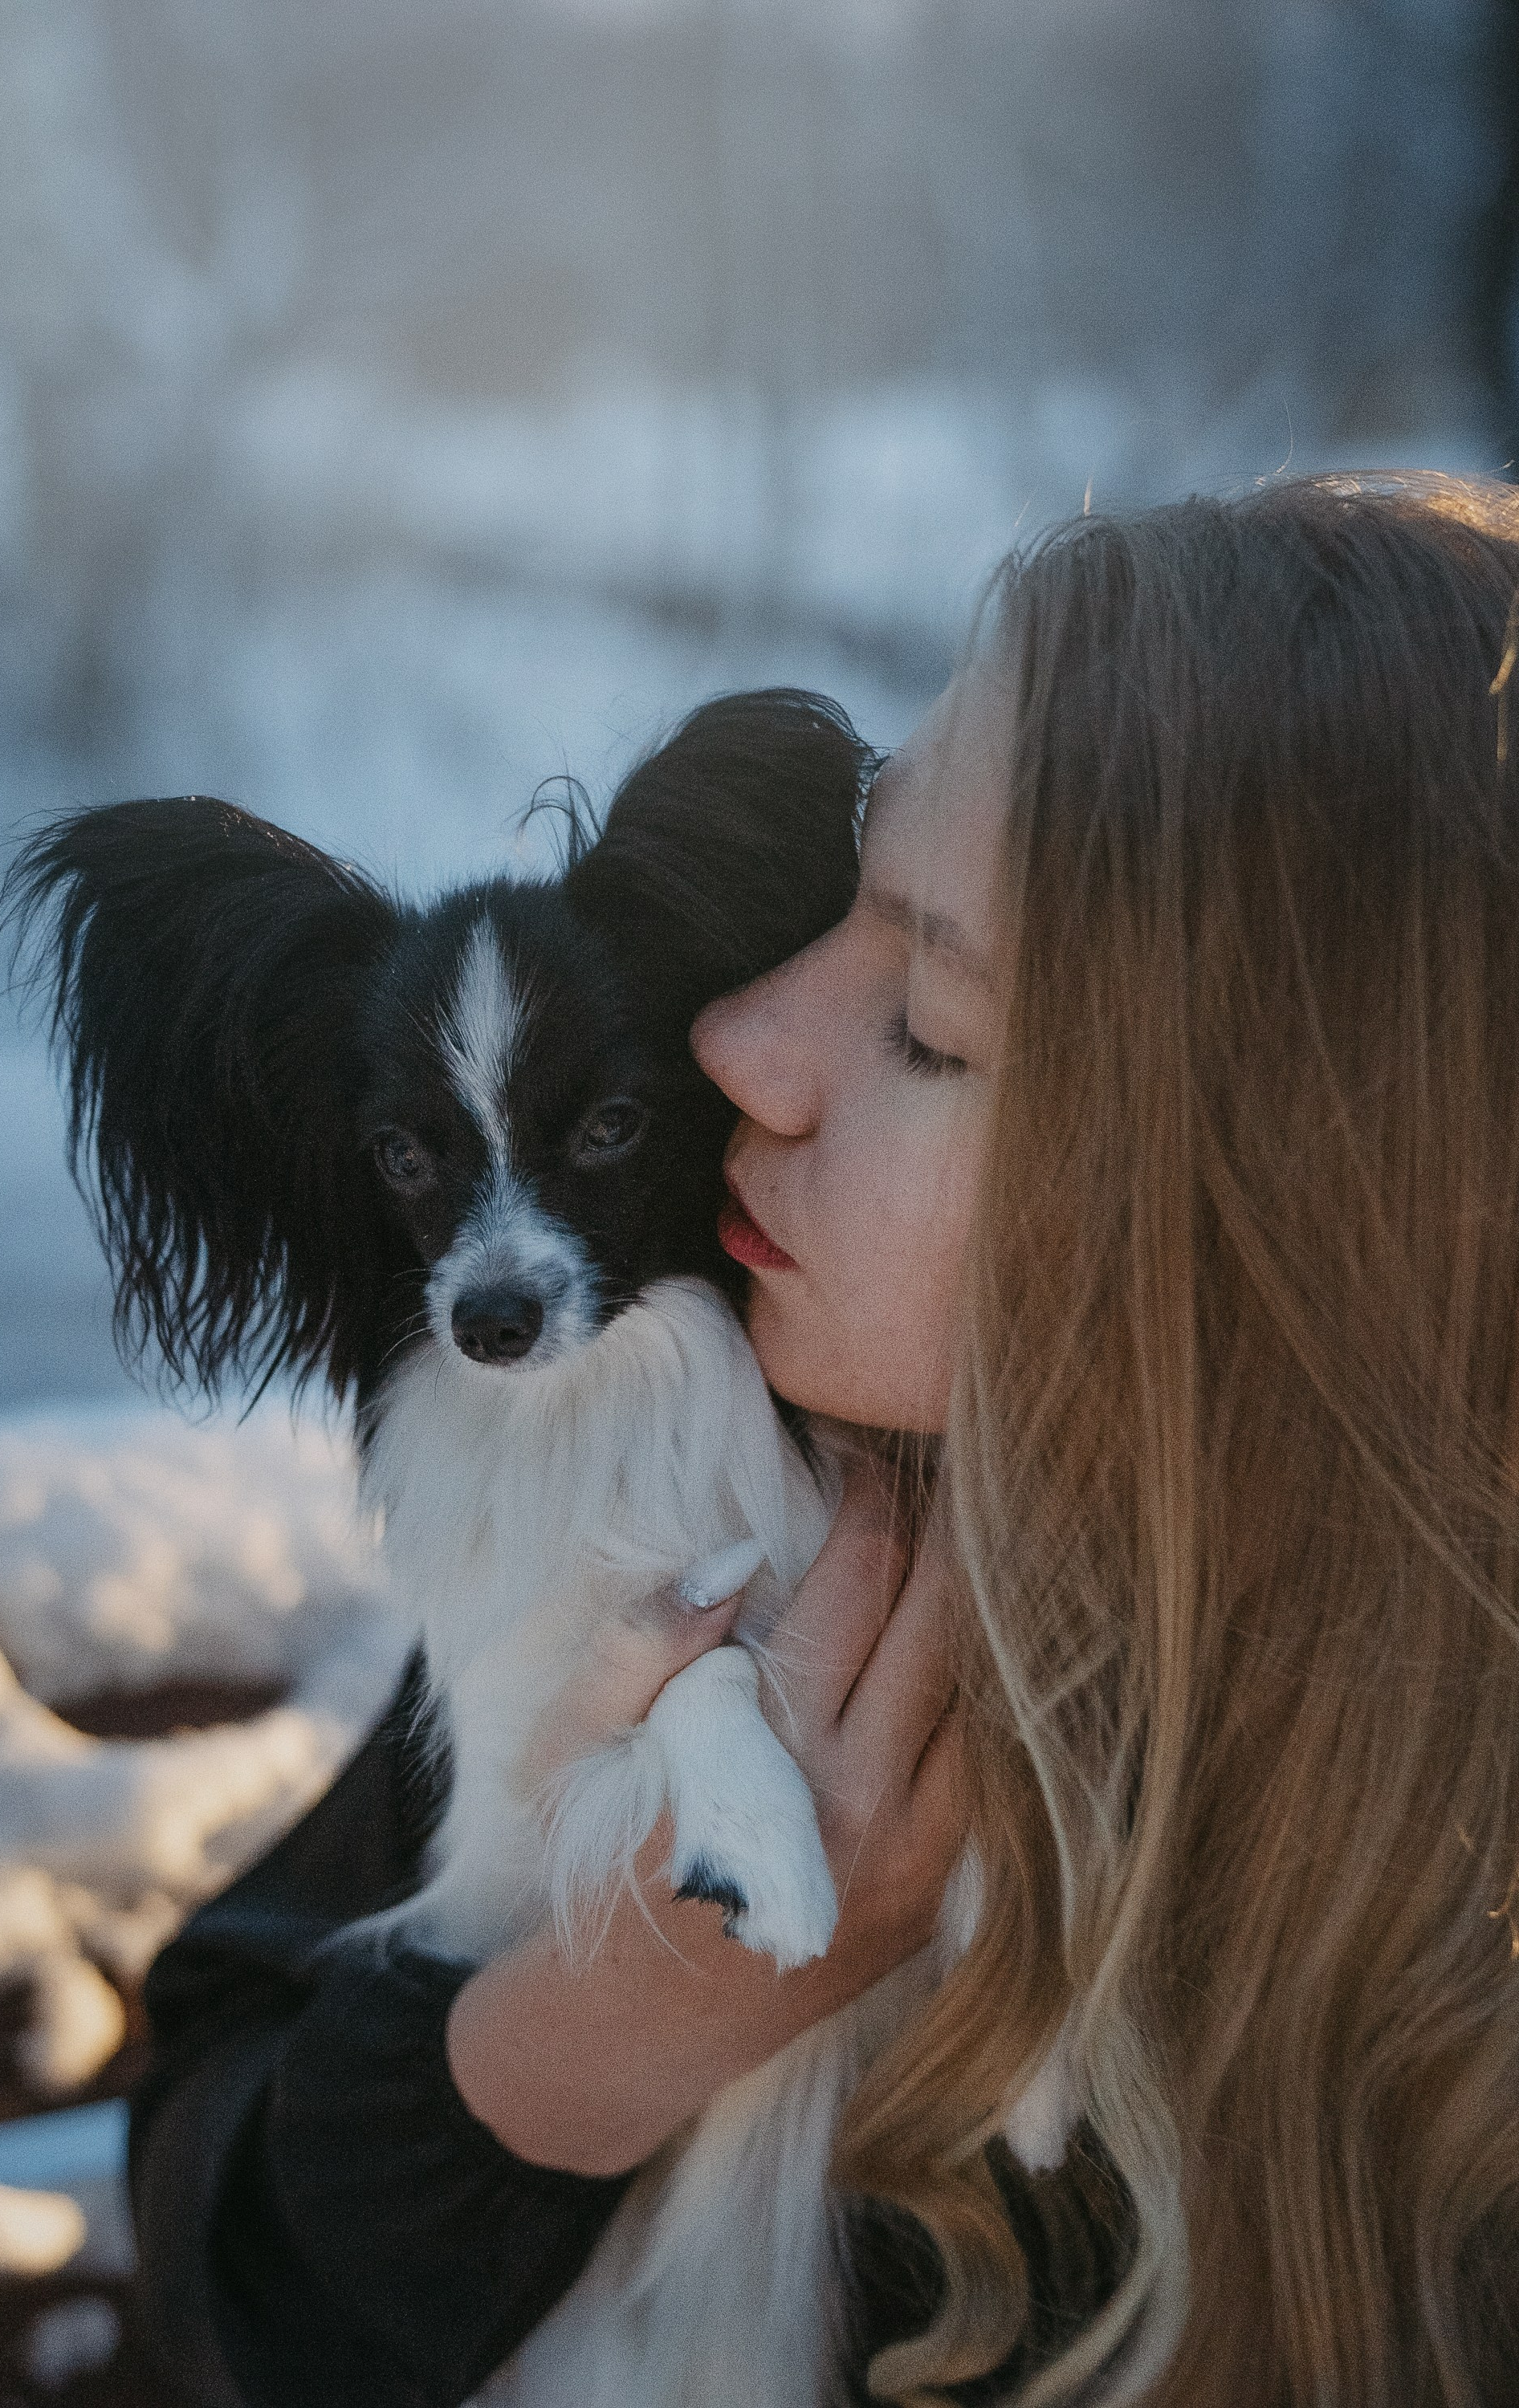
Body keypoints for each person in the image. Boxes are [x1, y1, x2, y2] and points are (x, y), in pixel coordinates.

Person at [131, 470, 1519, 2406]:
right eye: (840, 902)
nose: (736, 1043)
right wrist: (564, 2047)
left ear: (1284, 1203)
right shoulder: (753, 1493)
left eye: (932, 1021)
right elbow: (212, 2163)